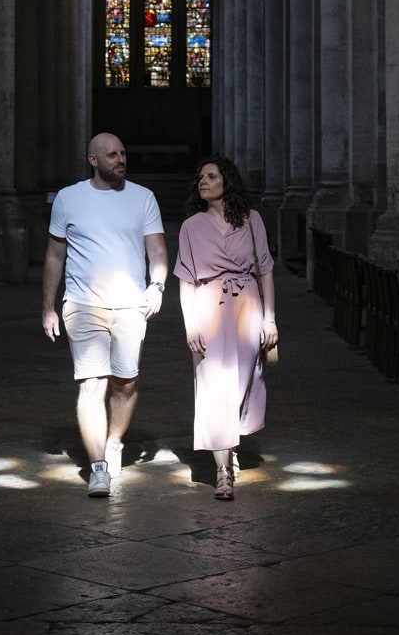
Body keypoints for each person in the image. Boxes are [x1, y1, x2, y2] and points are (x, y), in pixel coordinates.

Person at [42, 133, 168, 496]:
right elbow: (54, 255)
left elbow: (157, 251)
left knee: (125, 382)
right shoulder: (69, 198)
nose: (121, 159)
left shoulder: (143, 198)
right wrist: (48, 307)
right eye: (112, 154)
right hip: (82, 305)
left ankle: (114, 442)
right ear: (93, 160)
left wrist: (156, 286)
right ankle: (98, 466)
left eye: (124, 153)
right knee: (91, 383)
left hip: (130, 305)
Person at [175, 154, 277, 500]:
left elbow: (265, 269)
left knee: (241, 383)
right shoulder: (191, 227)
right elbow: (186, 280)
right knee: (213, 386)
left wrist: (270, 318)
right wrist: (191, 326)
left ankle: (229, 444)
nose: (203, 181)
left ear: (226, 182)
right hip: (208, 309)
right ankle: (222, 471)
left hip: (247, 306)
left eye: (212, 176)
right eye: (200, 176)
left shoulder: (252, 221)